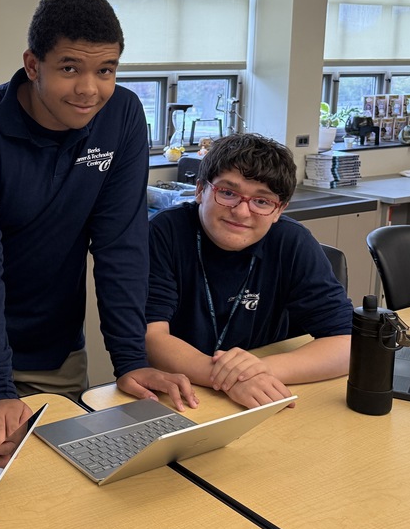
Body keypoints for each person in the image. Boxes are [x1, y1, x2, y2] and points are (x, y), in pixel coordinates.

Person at [0, 0, 198, 458]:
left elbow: (121, 244)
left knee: (67, 460)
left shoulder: (123, 116)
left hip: (55, 332)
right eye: (70, 68)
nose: (90, 89)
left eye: (105, 70)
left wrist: (130, 360)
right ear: (33, 66)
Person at [145, 133, 352, 408]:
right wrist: (232, 378)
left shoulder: (292, 241)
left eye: (262, 201)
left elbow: (348, 343)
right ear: (200, 190)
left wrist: (260, 370)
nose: (242, 212)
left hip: (260, 390)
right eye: (228, 193)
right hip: (182, 394)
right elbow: (152, 336)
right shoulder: (163, 233)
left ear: (279, 210)